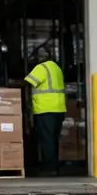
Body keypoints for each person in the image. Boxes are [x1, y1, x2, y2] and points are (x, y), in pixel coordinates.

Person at [23, 47, 67, 177]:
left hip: (45, 109)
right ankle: (54, 167)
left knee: (46, 140)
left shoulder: (42, 68)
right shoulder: (56, 68)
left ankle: (49, 169)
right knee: (53, 139)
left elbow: (28, 82)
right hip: (58, 109)